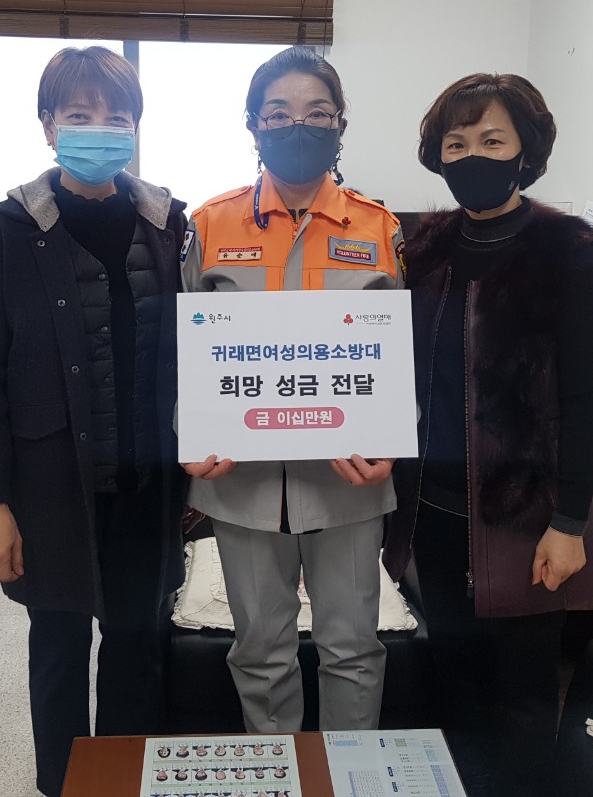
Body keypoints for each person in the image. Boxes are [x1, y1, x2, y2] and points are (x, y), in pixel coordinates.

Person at [0, 46, 188, 797]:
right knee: (57, 648)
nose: (99, 129)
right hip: (50, 487)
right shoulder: (9, 228)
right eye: (80, 114)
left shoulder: (167, 223)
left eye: (117, 116)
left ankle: (124, 782)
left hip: (147, 486)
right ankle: (63, 786)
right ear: (49, 124)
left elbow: (200, 351)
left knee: (136, 645)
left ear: (137, 126)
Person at [382, 73, 593, 797]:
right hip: (435, 509)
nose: (472, 157)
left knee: (522, 688)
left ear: (525, 151)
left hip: (528, 514)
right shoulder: (424, 247)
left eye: (491, 140)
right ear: (437, 155)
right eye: (456, 144)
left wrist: (569, 523)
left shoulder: (568, 250)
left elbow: (589, 399)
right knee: (452, 675)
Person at [180, 46, 404, 733]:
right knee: (260, 650)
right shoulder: (209, 225)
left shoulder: (380, 228)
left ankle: (347, 771)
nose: (296, 125)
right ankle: (278, 767)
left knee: (353, 647)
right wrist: (192, 432)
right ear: (253, 125)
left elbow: (400, 353)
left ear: (340, 124)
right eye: (277, 113)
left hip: (349, 477)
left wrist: (390, 441)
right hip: (241, 479)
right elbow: (183, 351)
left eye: (316, 112)